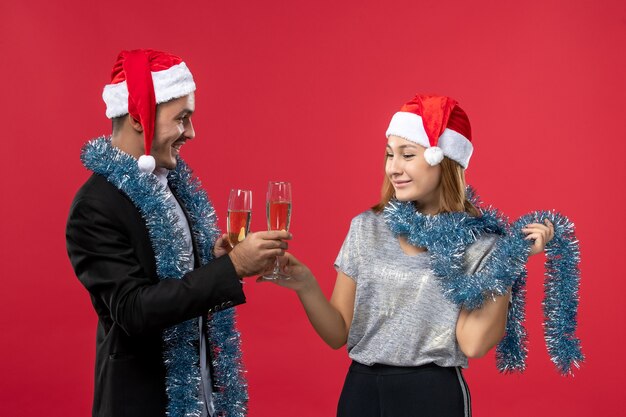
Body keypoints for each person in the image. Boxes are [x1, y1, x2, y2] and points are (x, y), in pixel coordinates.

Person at [261, 94, 559, 416]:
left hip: (432, 395)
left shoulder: (480, 243)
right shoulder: (366, 228)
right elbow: (337, 333)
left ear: (442, 160)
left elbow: (473, 343)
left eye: (407, 155)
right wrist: (305, 284)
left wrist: (510, 259)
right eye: (390, 155)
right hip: (361, 391)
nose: (393, 168)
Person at [66, 49, 290, 417]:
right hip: (144, 401)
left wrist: (213, 260)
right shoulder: (95, 206)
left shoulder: (169, 184)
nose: (191, 132)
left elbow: (176, 279)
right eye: (182, 119)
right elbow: (134, 309)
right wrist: (230, 268)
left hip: (202, 392)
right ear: (139, 118)